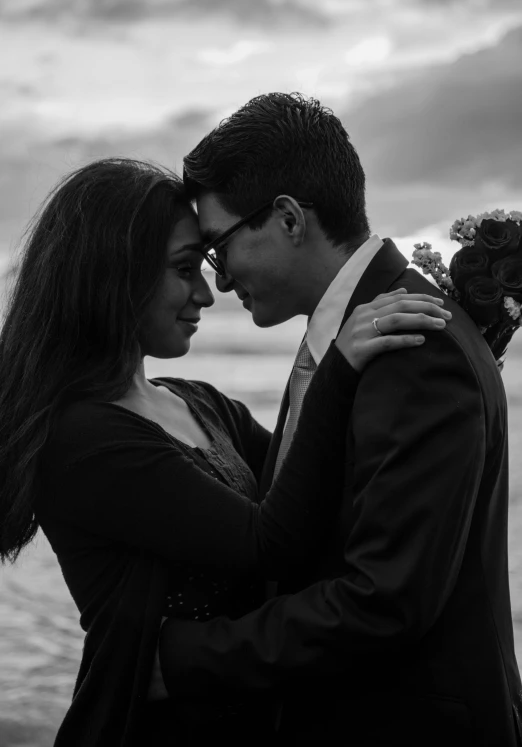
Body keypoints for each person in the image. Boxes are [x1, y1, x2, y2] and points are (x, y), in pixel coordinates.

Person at [0, 158, 447, 747]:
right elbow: (273, 543)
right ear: (114, 276)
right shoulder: (84, 441)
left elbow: (319, 492)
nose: (207, 294)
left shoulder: (200, 403)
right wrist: (335, 369)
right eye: (185, 269)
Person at [155, 93, 522, 746]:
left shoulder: (410, 340)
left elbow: (384, 602)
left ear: (290, 218)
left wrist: (183, 657)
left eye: (219, 249)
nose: (222, 280)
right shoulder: (355, 327)